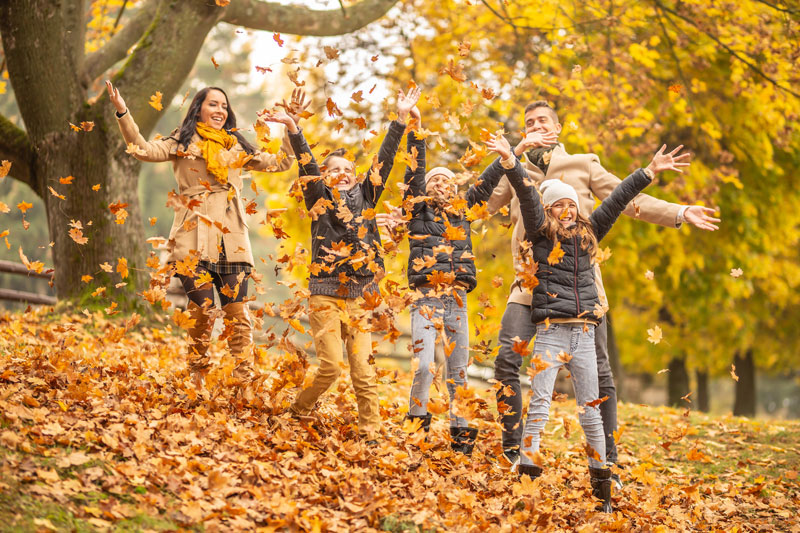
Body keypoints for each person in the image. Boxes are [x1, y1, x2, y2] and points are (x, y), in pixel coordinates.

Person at [488, 101, 720, 478]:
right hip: (528, 283)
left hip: (578, 286)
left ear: (558, 128)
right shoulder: (515, 171)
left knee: (600, 369)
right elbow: (480, 202)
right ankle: (512, 446)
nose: (535, 126)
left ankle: (608, 457)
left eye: (542, 120)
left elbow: (626, 201)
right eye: (528, 123)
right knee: (506, 360)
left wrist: (679, 211)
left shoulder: (583, 164)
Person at [105, 80, 297, 387]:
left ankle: (244, 382)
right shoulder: (181, 142)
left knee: (237, 314)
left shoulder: (236, 145)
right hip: (193, 234)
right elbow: (142, 149)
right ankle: (197, 375)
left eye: (224, 106)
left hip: (231, 235)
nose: (220, 110)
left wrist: (290, 126)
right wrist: (123, 112)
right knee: (204, 311)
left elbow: (282, 162)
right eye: (213, 104)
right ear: (199, 108)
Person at [265, 88, 421, 443]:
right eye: (333, 170)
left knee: (364, 370)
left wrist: (399, 120)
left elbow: (383, 160)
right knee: (332, 367)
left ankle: (371, 432)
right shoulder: (318, 197)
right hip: (326, 295)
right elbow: (306, 162)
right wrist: (293, 128)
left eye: (348, 169)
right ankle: (300, 409)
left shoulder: (367, 195)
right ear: (324, 176)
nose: (342, 174)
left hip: (361, 297)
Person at [399, 108, 508, 455]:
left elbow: (487, 181)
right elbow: (414, 171)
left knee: (458, 371)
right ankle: (417, 428)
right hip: (427, 297)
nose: (440, 184)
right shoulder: (417, 210)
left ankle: (461, 435)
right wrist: (416, 128)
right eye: (434, 181)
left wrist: (508, 153)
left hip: (457, 300)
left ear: (455, 187)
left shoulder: (464, 211)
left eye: (446, 180)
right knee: (425, 366)